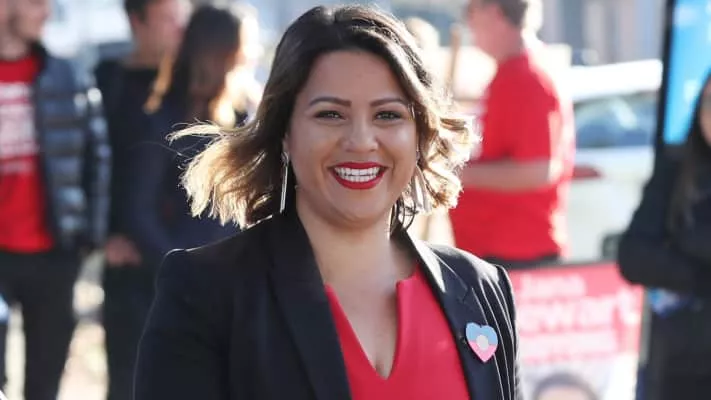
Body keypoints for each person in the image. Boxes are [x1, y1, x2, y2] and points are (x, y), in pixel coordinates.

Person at [134, 5, 520, 400]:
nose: (361, 141)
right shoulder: (205, 293)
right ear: (285, 131)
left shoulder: (481, 290)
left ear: (420, 132)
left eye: (388, 115)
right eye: (331, 114)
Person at [0, 0, 110, 399]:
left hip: (54, 253)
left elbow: (97, 159)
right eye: (36, 2)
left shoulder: (67, 75)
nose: (46, 12)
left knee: (44, 386)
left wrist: (90, 237)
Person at [93, 1, 189, 399]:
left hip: (183, 254)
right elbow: (92, 165)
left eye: (182, 19)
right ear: (137, 22)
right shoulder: (108, 82)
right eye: (168, 19)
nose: (179, 29)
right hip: (128, 258)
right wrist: (104, 235)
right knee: (128, 380)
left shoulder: (191, 83)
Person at [450, 0, 575, 268]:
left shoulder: (527, 77)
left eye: (471, 10)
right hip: (504, 250)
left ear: (494, 12)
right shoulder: (516, 71)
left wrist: (454, 173)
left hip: (516, 253)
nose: (468, 21)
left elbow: (538, 170)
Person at [618, 72, 711, 400]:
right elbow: (633, 256)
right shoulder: (677, 170)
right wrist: (699, 275)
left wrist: (682, 249)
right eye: (708, 102)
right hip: (681, 365)